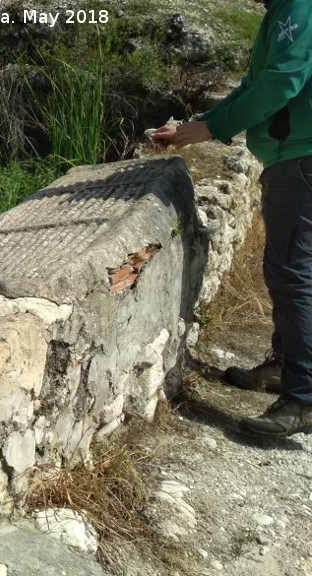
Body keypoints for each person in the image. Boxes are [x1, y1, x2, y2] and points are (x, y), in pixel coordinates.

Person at [151, 0, 312, 437]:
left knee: (294, 273)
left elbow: (281, 82)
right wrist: (206, 122)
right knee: (291, 268)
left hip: (302, 157)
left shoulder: (299, 5)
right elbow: (253, 84)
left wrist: (209, 130)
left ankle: (303, 397)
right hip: (294, 154)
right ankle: (284, 366)